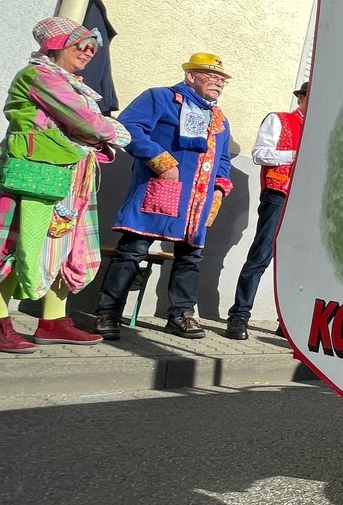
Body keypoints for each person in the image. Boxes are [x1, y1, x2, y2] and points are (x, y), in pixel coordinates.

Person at [0, 17, 132, 352]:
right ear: (55, 46)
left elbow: (87, 125)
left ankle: (53, 321)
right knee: (13, 245)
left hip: (67, 178)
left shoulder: (70, 83)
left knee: (65, 248)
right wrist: (112, 131)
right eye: (79, 45)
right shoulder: (39, 76)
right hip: (31, 176)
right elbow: (88, 122)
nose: (87, 52)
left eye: (91, 47)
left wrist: (95, 130)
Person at [92, 53, 235, 340]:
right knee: (132, 251)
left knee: (191, 257)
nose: (218, 83)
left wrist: (219, 188)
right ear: (190, 76)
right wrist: (160, 159)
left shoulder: (219, 119)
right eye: (211, 76)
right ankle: (108, 313)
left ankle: (181, 314)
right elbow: (129, 128)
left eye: (222, 79)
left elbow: (223, 159)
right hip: (160, 189)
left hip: (197, 200)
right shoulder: (160, 98)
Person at [222, 81, 309, 340]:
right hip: (279, 195)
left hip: (304, 201)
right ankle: (239, 316)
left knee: (296, 263)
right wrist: (295, 154)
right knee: (260, 256)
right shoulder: (279, 120)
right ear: (301, 98)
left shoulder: (319, 130)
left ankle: (287, 323)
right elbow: (260, 154)